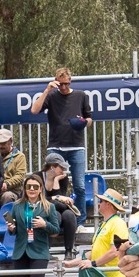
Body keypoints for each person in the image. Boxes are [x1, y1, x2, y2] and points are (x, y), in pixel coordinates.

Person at [31, 67, 93, 214]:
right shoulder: (52, 96)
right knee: (49, 182)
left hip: (76, 147)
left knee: (79, 186)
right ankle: (49, 214)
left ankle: (80, 220)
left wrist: (83, 122)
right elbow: (34, 110)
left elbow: (90, 119)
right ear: (56, 83)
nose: (64, 87)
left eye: (66, 84)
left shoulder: (81, 95)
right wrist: (47, 91)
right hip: (55, 147)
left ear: (70, 81)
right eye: (61, 84)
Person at [7, 173, 61, 277]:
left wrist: (45, 224)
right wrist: (11, 228)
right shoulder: (17, 205)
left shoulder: (49, 206)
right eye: (29, 186)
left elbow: (56, 230)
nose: (31, 189)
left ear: (40, 189)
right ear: (24, 189)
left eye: (35, 187)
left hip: (39, 250)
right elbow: (14, 230)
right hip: (21, 250)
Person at [65, 188, 130, 277]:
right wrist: (70, 263)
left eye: (101, 201)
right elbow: (94, 252)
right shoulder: (104, 224)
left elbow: (115, 251)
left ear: (108, 204)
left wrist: (93, 263)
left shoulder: (118, 224)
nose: (99, 203)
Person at [42, 152, 80, 257]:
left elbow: (61, 205)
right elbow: (40, 201)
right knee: (55, 214)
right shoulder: (38, 178)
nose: (63, 171)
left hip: (57, 210)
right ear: (52, 167)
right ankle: (46, 250)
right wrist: (54, 198)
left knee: (68, 214)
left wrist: (56, 180)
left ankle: (68, 251)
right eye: (61, 167)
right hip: (42, 212)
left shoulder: (62, 179)